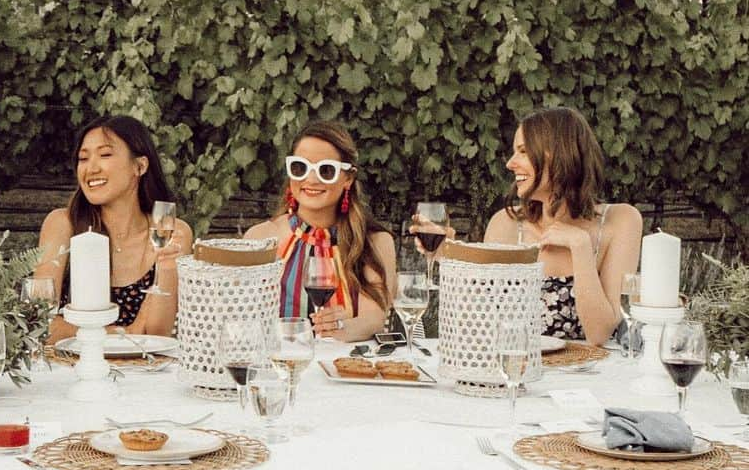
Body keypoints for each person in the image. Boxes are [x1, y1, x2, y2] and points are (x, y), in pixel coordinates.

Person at [413, 106, 642, 346]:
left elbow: (599, 333)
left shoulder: (621, 221)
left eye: (523, 151)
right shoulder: (505, 224)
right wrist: (450, 256)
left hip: (589, 378)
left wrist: (580, 246)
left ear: (559, 154)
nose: (511, 163)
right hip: (514, 372)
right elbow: (476, 325)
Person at [34, 114, 194, 340]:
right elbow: (38, 320)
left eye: (105, 155)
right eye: (83, 158)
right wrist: (124, 333)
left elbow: (158, 333)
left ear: (139, 166)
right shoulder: (62, 224)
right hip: (71, 369)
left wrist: (165, 269)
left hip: (144, 371)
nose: (91, 168)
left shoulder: (169, 228)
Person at [244, 120, 396, 342]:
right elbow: (242, 315)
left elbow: (374, 316)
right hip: (279, 366)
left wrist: (341, 327)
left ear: (348, 179)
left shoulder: (375, 241)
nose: (311, 179)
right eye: (300, 167)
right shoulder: (261, 237)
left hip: (343, 368)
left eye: (326, 170)